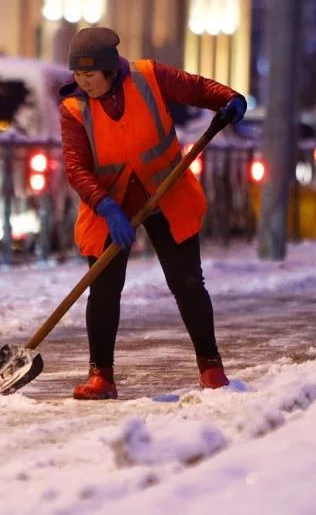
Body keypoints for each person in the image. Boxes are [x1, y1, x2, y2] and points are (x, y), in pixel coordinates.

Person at [58, 26, 246, 400]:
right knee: (104, 289)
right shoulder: (74, 109)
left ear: (110, 69)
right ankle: (101, 376)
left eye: (89, 74)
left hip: (166, 192)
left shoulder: (148, 77)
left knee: (187, 282)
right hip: (110, 204)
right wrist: (106, 205)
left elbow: (195, 88)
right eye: (77, 74)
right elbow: (76, 167)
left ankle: (211, 368)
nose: (83, 82)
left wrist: (229, 98)